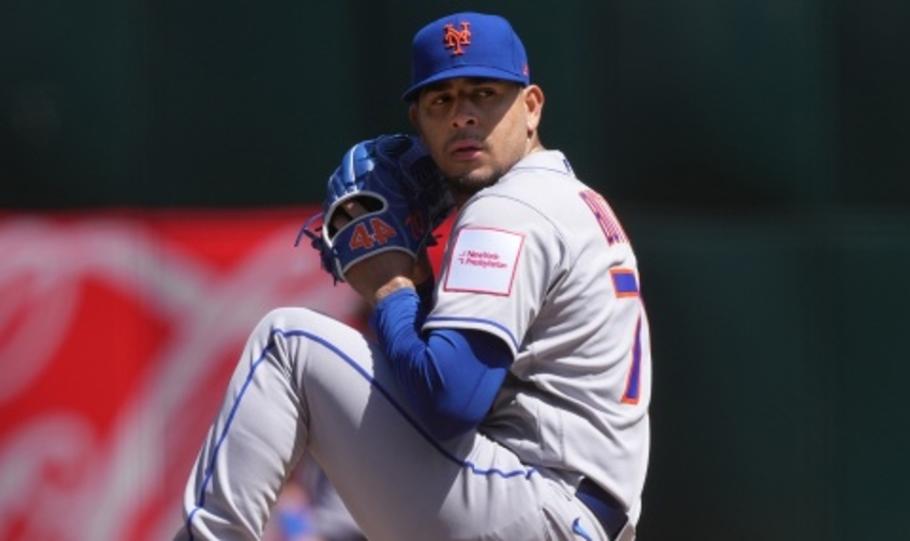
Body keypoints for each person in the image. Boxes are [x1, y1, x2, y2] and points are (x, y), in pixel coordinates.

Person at [176, 11, 652, 541]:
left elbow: (450, 400)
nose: (462, 116)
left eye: (484, 93)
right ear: (419, 123)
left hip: (534, 504)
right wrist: (421, 287)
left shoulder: (509, 209)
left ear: (531, 106)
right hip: (567, 510)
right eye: (441, 100)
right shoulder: (573, 198)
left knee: (288, 343)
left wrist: (391, 287)